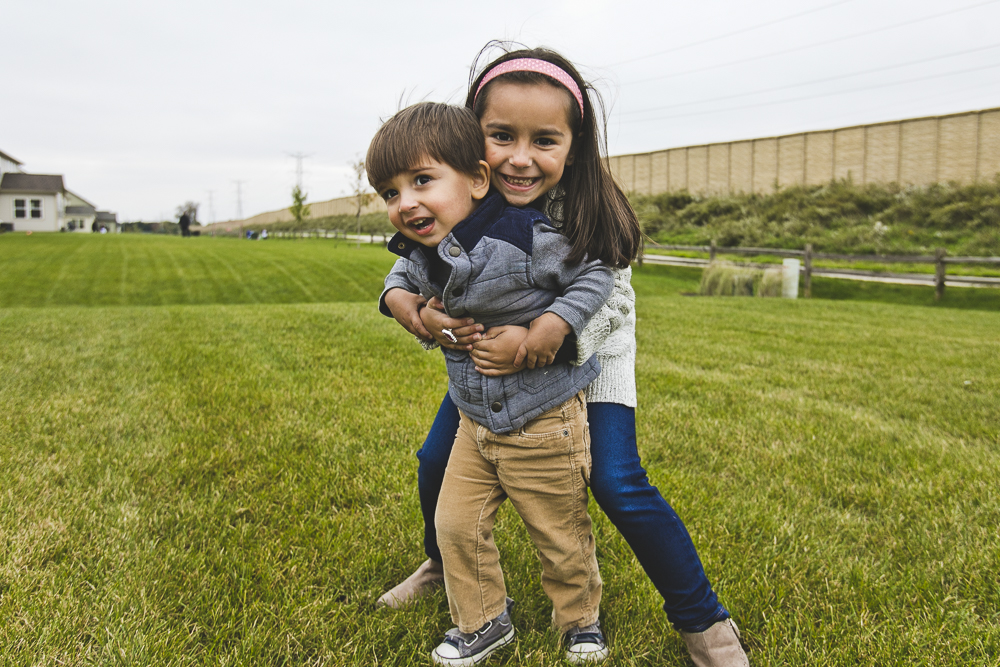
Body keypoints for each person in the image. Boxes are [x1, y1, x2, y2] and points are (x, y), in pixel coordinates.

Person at [378, 46, 750, 667]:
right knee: (436, 458)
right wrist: (408, 306)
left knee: (616, 480)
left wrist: (545, 335)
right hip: (492, 370)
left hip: (590, 355)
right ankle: (445, 565)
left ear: (574, 146)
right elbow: (413, 262)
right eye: (501, 136)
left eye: (544, 140)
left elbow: (612, 303)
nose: (519, 158)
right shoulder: (467, 199)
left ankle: (704, 622)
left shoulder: (585, 212)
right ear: (474, 142)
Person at [369, 101, 614, 665]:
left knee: (559, 533)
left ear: (478, 179)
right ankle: (482, 621)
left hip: (543, 419)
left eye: (422, 181)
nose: (406, 203)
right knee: (455, 524)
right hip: (474, 421)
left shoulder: (525, 235)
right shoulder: (424, 247)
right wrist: (411, 311)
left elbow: (596, 269)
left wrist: (549, 328)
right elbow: (396, 280)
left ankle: (580, 621)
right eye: (389, 193)